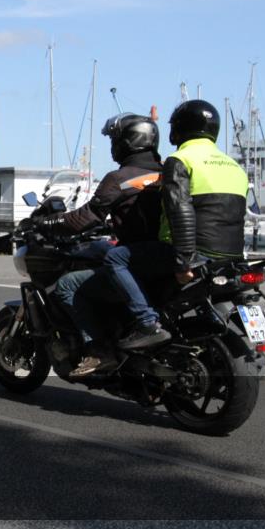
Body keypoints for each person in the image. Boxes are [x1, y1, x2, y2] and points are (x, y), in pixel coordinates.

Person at [105, 100, 248, 350]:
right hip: (231, 257)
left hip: (192, 251)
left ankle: (146, 323)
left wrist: (184, 261)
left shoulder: (180, 159)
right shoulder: (234, 165)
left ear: (179, 129)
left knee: (116, 258)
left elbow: (179, 210)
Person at [34, 113, 163, 376]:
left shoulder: (120, 178)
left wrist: (47, 223)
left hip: (136, 260)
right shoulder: (164, 173)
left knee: (68, 285)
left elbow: (85, 217)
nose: (112, 146)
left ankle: (99, 350)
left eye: (115, 140)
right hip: (163, 258)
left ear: (127, 142)